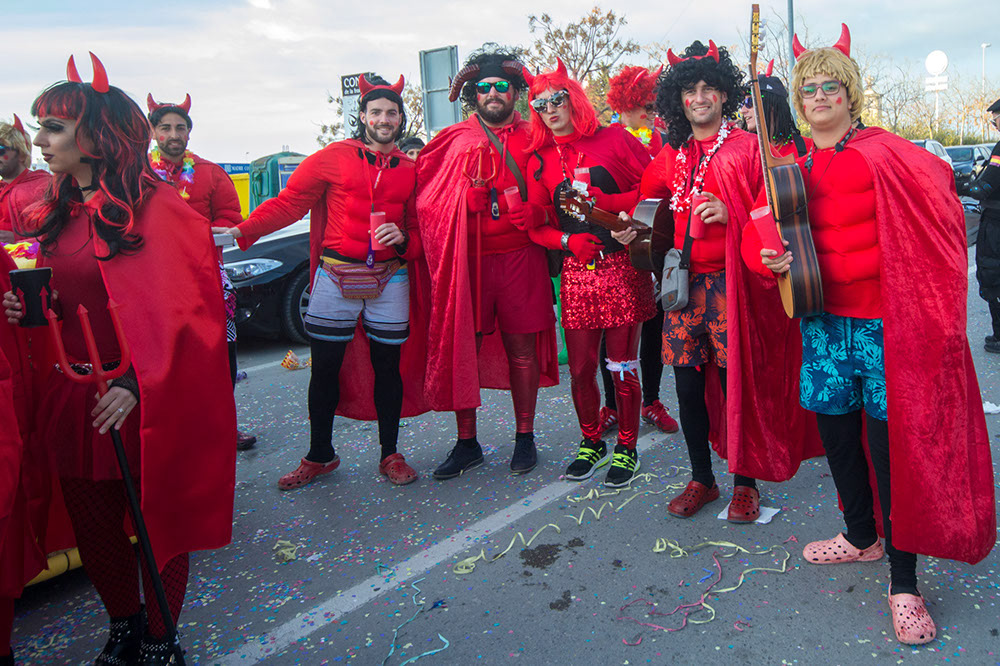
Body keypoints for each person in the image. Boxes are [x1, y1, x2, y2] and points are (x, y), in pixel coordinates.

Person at [749, 27, 995, 644]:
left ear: (851, 95)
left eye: (831, 86)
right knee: (838, 438)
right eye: (810, 88)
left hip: (887, 326)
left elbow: (941, 214)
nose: (820, 96)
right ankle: (861, 535)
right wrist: (767, 258)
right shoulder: (789, 166)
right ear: (799, 101)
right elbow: (760, 228)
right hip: (822, 324)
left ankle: (904, 583)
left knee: (893, 453)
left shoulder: (889, 153)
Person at [3, 53, 236, 662]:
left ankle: (161, 637)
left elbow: (193, 311)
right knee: (96, 529)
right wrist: (30, 308)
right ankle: (124, 627)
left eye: (53, 127)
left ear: (96, 134)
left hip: (145, 397)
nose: (40, 141)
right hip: (75, 395)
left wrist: (136, 382)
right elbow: (70, 298)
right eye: (39, 126)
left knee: (161, 522)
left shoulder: (160, 209)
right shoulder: (55, 211)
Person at [218, 74, 427, 489]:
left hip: (391, 277)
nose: (384, 119)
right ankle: (319, 455)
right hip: (335, 274)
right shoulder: (333, 157)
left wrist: (404, 239)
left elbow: (423, 231)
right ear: (363, 116)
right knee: (325, 369)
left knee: (389, 369)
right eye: (376, 112)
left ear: (400, 118)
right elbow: (289, 204)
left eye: (392, 112)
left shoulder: (411, 169)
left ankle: (390, 453)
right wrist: (241, 231)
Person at [416, 45, 559, 479]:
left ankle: (525, 437)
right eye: (483, 87)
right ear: (473, 94)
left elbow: (560, 189)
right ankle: (467, 443)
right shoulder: (453, 139)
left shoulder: (538, 136)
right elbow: (424, 200)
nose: (492, 93)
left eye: (501, 85)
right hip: (470, 263)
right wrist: (460, 201)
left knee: (522, 351)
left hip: (522, 259)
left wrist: (539, 213)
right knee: (465, 348)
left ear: (515, 91)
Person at [518, 59, 654, 487]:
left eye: (556, 99)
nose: (549, 109)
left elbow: (655, 188)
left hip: (622, 266)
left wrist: (612, 204)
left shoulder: (614, 139)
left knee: (622, 366)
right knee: (580, 369)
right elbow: (537, 226)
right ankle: (591, 440)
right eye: (539, 104)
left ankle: (627, 446)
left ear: (573, 99)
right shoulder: (538, 159)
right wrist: (566, 241)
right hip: (577, 274)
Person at [147, 93, 256, 450]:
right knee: (166, 360)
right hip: (154, 282)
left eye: (180, 128)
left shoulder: (210, 173)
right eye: (165, 128)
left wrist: (196, 233)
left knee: (221, 354)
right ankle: (173, 430)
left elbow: (230, 220)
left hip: (207, 277)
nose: (173, 134)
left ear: (189, 134)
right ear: (153, 133)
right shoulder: (139, 174)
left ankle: (225, 426)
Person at [602, 65, 678, 437]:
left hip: (655, 249)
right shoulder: (608, 140)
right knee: (612, 330)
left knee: (653, 329)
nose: (650, 111)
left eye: (653, 104)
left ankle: (651, 400)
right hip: (617, 249)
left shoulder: (663, 140)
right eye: (643, 105)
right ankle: (611, 405)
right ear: (624, 104)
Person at [971, 98, 1000, 352]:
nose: (995, 124)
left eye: (996, 119)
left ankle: (999, 335)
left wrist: (963, 185)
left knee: (992, 274)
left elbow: (987, 184)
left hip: (996, 223)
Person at [740, 59, 810, 158]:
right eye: (742, 104)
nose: (743, 110)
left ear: (772, 104)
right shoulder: (744, 154)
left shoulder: (807, 148)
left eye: (750, 102)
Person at [0, 115, 50, 244]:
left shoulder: (44, 187)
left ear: (22, 154)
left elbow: (61, 235)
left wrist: (18, 240)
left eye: (1, 150)